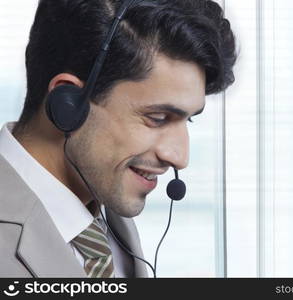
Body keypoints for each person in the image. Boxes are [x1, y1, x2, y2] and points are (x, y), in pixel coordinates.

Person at [0, 0, 236, 278]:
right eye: (158, 118)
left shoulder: (106, 210)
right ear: (67, 104)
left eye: (189, 119)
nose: (179, 158)